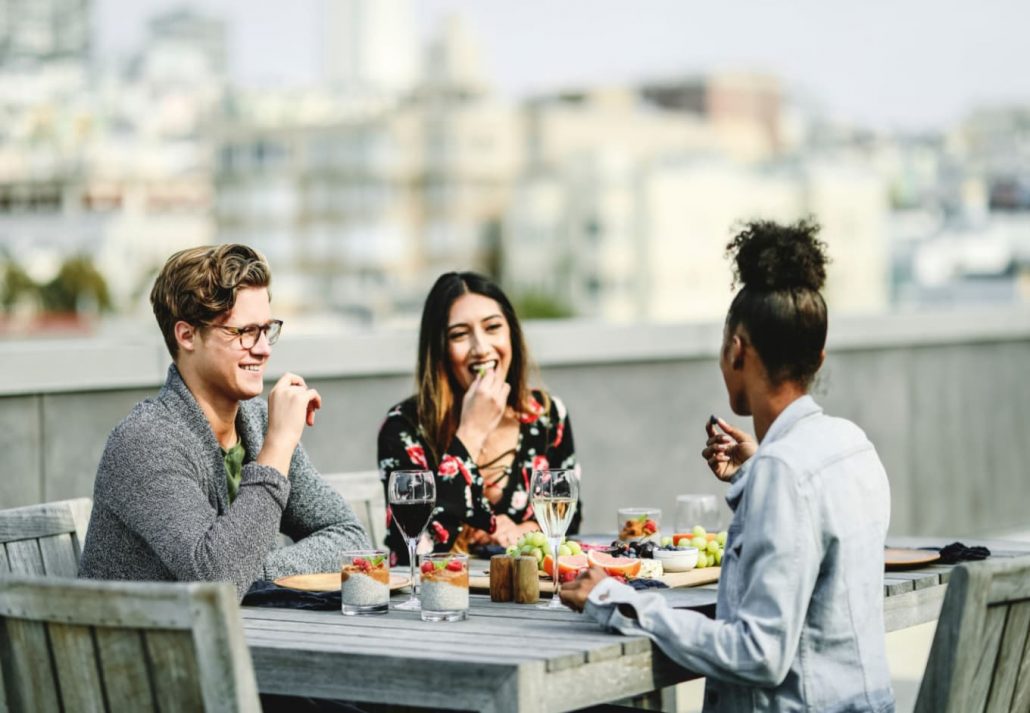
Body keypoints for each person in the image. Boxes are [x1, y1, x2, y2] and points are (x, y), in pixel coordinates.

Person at [561, 220, 894, 712]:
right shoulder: (851, 445)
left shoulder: (784, 472)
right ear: (817, 358)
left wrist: (614, 599)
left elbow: (760, 655)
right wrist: (756, 470)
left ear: (737, 350)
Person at [79, 244, 370, 599]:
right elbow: (219, 579)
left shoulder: (260, 422)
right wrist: (277, 448)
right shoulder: (146, 441)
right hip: (145, 651)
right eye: (244, 332)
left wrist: (258, 571)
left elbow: (349, 537)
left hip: (240, 645)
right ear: (186, 336)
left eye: (267, 329)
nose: (263, 348)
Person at [378, 271, 579, 564]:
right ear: (439, 349)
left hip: (526, 598)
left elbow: (570, 521)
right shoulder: (404, 427)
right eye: (459, 334)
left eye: (493, 327)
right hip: (438, 599)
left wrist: (522, 531)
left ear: (511, 333)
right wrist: (471, 432)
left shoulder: (547, 415)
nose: (481, 348)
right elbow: (414, 548)